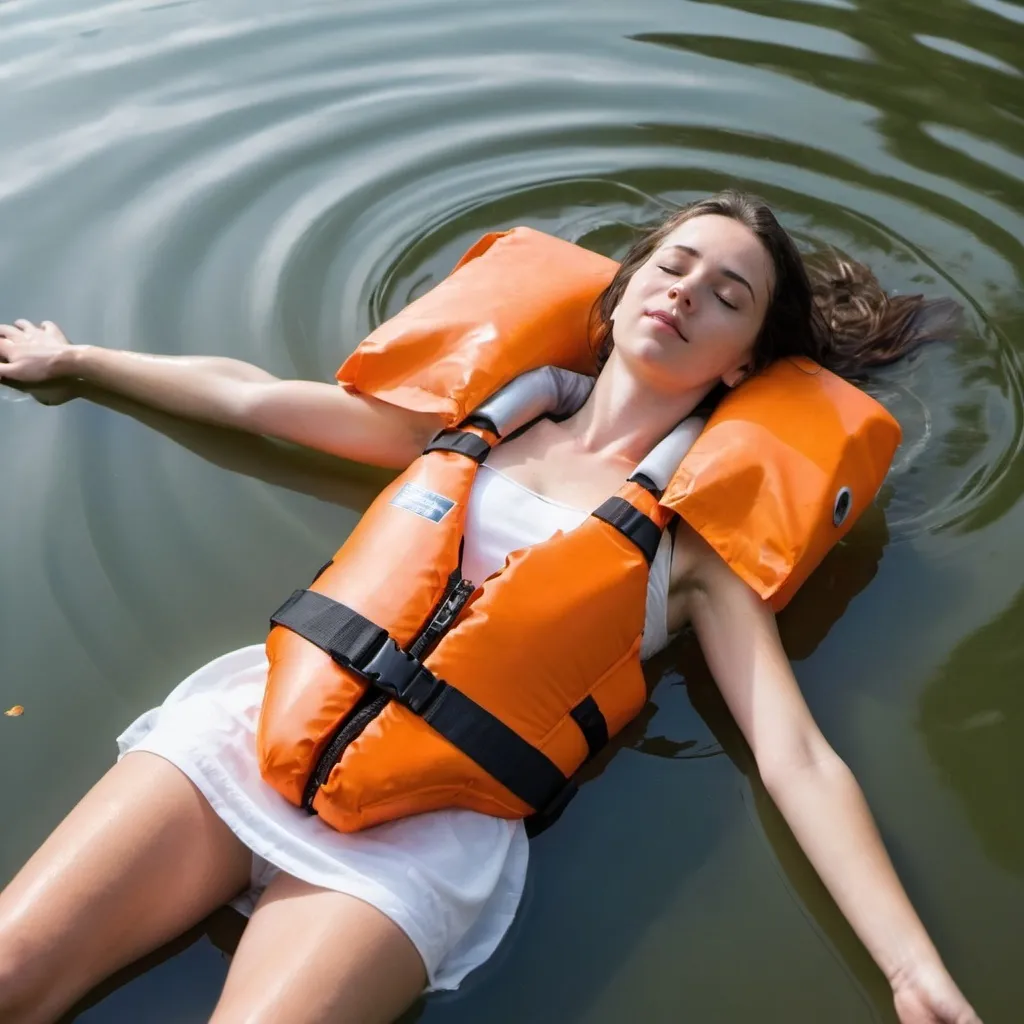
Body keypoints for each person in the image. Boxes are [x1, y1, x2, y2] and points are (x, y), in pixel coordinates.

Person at [0, 192, 981, 1024]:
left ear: (738, 364)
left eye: (727, 295)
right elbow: (253, 401)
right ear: (624, 289)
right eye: (673, 265)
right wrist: (80, 359)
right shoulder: (471, 425)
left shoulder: (693, 549)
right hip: (247, 734)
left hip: (428, 829)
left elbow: (794, 755)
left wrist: (909, 968)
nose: (686, 290)